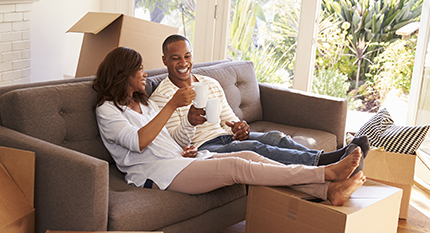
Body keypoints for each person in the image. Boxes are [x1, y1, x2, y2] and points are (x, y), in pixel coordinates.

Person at [92, 46, 366, 206]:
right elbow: (138, 141)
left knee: (250, 155)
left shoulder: (144, 103)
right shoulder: (107, 111)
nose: (144, 73)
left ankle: (328, 191)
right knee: (238, 166)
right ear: (122, 74)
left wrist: (188, 133)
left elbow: (166, 138)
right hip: (155, 174)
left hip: (179, 159)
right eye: (139, 69)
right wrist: (173, 106)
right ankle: (324, 173)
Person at [150, 34, 369, 171]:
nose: (183, 63)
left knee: (274, 137)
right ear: (164, 61)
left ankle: (327, 158)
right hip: (204, 148)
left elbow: (229, 118)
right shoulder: (162, 96)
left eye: (186, 56)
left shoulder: (209, 83)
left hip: (223, 136)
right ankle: (327, 163)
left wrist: (239, 127)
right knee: (256, 147)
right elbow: (174, 142)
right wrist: (189, 121)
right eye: (175, 58)